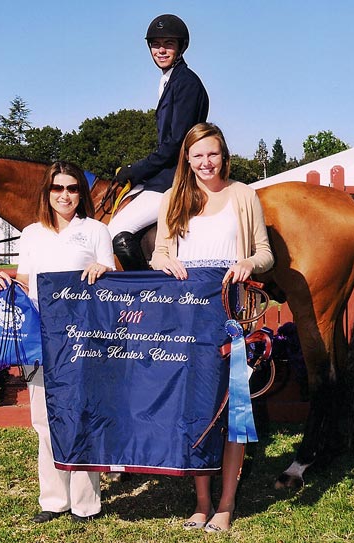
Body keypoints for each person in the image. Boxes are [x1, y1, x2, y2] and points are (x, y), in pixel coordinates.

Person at [151, 122, 274, 532]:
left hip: (229, 311)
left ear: (224, 155)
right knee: (198, 407)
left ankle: (226, 503)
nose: (206, 162)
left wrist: (248, 263)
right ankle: (201, 501)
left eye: (213, 154)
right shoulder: (173, 197)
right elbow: (161, 252)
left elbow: (265, 253)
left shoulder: (243, 195)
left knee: (234, 406)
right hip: (187, 316)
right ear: (187, 158)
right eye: (197, 155)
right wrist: (162, 261)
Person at [0, 161, 116, 524]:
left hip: (82, 338)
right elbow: (27, 283)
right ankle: (54, 499)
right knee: (44, 419)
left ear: (81, 193)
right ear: (47, 192)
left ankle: (86, 503)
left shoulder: (95, 231)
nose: (65, 195)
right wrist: (6, 280)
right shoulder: (31, 234)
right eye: (58, 188)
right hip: (41, 337)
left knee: (81, 415)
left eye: (73, 188)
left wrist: (104, 270)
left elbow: (112, 282)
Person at [109, 13, 209, 271]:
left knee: (117, 229)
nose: (161, 50)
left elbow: (176, 142)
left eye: (169, 44)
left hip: (175, 177)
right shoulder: (170, 80)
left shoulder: (186, 83)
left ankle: (146, 290)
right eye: (156, 44)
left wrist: (136, 169)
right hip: (164, 174)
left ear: (181, 47)